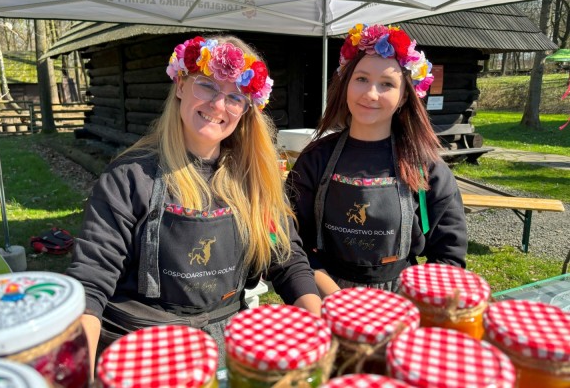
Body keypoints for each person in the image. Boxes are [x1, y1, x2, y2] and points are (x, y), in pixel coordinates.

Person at [66, 34, 321, 372]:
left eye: (235, 97)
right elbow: (91, 281)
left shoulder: (254, 179)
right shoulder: (130, 176)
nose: (218, 105)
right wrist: (79, 370)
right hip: (140, 344)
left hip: (225, 343)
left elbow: (287, 262)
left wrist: (320, 326)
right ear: (181, 85)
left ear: (246, 111)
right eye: (207, 86)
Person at [287, 24, 467, 298]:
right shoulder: (316, 158)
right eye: (361, 79)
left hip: (402, 301)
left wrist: (412, 308)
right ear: (345, 83)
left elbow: (448, 257)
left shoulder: (426, 167)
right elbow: (289, 241)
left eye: (386, 84)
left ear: (405, 95)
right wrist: (335, 300)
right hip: (324, 298)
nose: (370, 94)